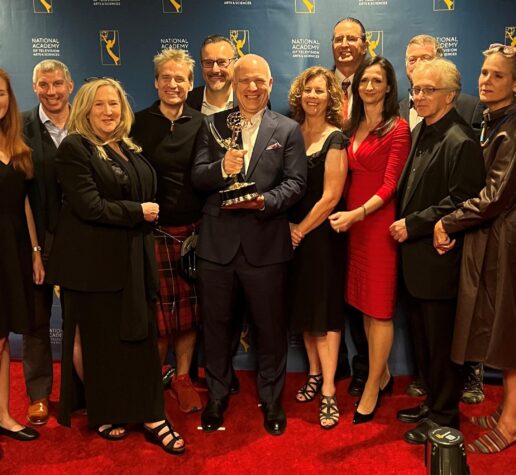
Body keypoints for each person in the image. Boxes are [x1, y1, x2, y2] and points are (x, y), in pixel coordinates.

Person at [46, 78, 184, 454]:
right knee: (99, 344)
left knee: (134, 342)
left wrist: (141, 212)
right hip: (91, 266)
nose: (109, 112)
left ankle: (146, 412)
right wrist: (137, 211)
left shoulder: (125, 146)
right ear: (85, 110)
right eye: (100, 105)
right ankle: (107, 411)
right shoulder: (75, 147)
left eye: (115, 105)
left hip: (129, 259)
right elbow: (88, 205)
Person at [192, 54, 306, 436]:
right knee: (217, 327)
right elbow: (197, 176)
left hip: (266, 244)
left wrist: (265, 202)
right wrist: (221, 169)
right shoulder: (213, 125)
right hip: (217, 246)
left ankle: (272, 399)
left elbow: (296, 184)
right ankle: (217, 396)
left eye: (260, 81)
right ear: (233, 85)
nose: (252, 88)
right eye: (245, 81)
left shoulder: (288, 129)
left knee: (270, 329)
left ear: (270, 84)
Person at [390, 58, 485, 445]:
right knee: (424, 342)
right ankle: (432, 404)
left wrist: (413, 224)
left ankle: (445, 416)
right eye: (416, 89)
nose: (419, 96)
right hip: (417, 263)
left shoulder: (459, 140)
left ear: (450, 96)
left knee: (442, 345)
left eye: (429, 90)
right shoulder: (423, 132)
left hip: (438, 262)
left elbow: (464, 199)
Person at [433, 44, 516, 453]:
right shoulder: (493, 120)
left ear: (515, 85)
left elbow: (496, 196)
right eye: (484, 73)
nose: (486, 80)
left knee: (511, 331)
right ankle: (507, 413)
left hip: (507, 238)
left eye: (497, 75)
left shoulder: (512, 126)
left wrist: (447, 220)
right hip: (494, 236)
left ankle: (512, 422)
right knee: (501, 328)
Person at [328, 56, 411, 423]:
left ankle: (375, 384)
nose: (370, 87)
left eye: (377, 81)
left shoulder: (399, 129)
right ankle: (383, 373)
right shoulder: (351, 124)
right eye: (364, 81)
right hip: (353, 229)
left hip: (377, 227)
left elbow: (391, 186)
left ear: (389, 87)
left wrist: (357, 214)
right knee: (362, 306)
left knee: (379, 311)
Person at [132, 47, 204, 414]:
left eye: (180, 79)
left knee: (190, 313)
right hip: (153, 231)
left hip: (194, 231)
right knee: (160, 314)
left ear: (191, 84)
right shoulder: (138, 123)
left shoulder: (201, 123)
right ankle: (155, 377)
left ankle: (183, 378)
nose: (173, 84)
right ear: (156, 82)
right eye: (166, 78)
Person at [287, 66, 347, 429]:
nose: (312, 96)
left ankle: (328, 390)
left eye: (320, 91)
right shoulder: (291, 132)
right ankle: (312, 373)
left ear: (330, 97)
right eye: (308, 90)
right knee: (305, 310)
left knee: (325, 313)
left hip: (320, 237)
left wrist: (299, 231)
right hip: (293, 236)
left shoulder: (335, 138)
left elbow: (331, 198)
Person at [22, 59, 74, 426]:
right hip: (34, 237)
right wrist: (34, 248)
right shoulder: (19, 127)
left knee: (81, 320)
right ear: (35, 87)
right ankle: (39, 395)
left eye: (58, 83)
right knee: (36, 319)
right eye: (44, 84)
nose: (52, 91)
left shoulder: (87, 122)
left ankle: (78, 393)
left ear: (70, 85)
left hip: (83, 238)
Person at [0, 68, 43, 441]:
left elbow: (24, 205)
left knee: (1, 341)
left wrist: (34, 252)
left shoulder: (15, 143)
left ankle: (3, 416)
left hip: (13, 249)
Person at [330, 16, 370, 397]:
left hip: (363, 206)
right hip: (326, 204)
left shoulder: (376, 86)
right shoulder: (319, 86)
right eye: (338, 39)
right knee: (329, 287)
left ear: (365, 43)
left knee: (361, 293)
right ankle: (334, 364)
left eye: (351, 39)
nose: (344, 45)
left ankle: (366, 368)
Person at [186, 35, 237, 114]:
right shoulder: (185, 103)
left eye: (222, 62)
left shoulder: (248, 100)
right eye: (208, 63)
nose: (215, 70)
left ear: (235, 63)